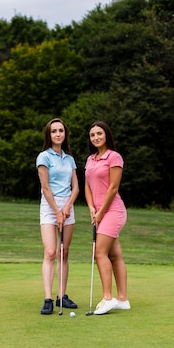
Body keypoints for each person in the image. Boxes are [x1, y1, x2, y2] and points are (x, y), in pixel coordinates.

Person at [84, 121, 130, 315]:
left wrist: (101, 211)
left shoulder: (114, 157)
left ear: (106, 135)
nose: (96, 137)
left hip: (113, 211)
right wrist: (91, 208)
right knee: (115, 255)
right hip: (99, 211)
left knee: (99, 253)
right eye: (92, 134)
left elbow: (113, 187)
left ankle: (107, 298)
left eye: (99, 134)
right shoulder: (90, 159)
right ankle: (123, 299)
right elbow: (87, 186)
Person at [36, 118, 80, 315]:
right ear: (49, 135)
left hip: (67, 204)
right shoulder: (43, 157)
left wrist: (67, 207)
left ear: (65, 134)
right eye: (54, 131)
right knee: (51, 252)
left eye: (61, 130)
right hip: (49, 205)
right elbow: (45, 188)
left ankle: (62, 296)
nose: (58, 134)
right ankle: (48, 299)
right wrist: (56, 211)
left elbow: (76, 187)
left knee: (64, 252)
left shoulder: (69, 159)